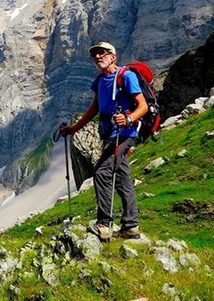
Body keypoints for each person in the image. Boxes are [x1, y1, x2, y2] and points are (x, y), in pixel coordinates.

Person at [59, 42, 148, 242]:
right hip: (109, 134)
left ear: (113, 57)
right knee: (123, 177)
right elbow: (94, 109)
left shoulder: (126, 76)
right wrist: (73, 129)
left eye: (103, 53)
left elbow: (142, 106)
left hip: (125, 134)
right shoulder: (101, 81)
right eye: (95, 55)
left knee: (101, 172)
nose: (98, 56)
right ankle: (131, 226)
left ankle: (104, 224)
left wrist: (128, 119)